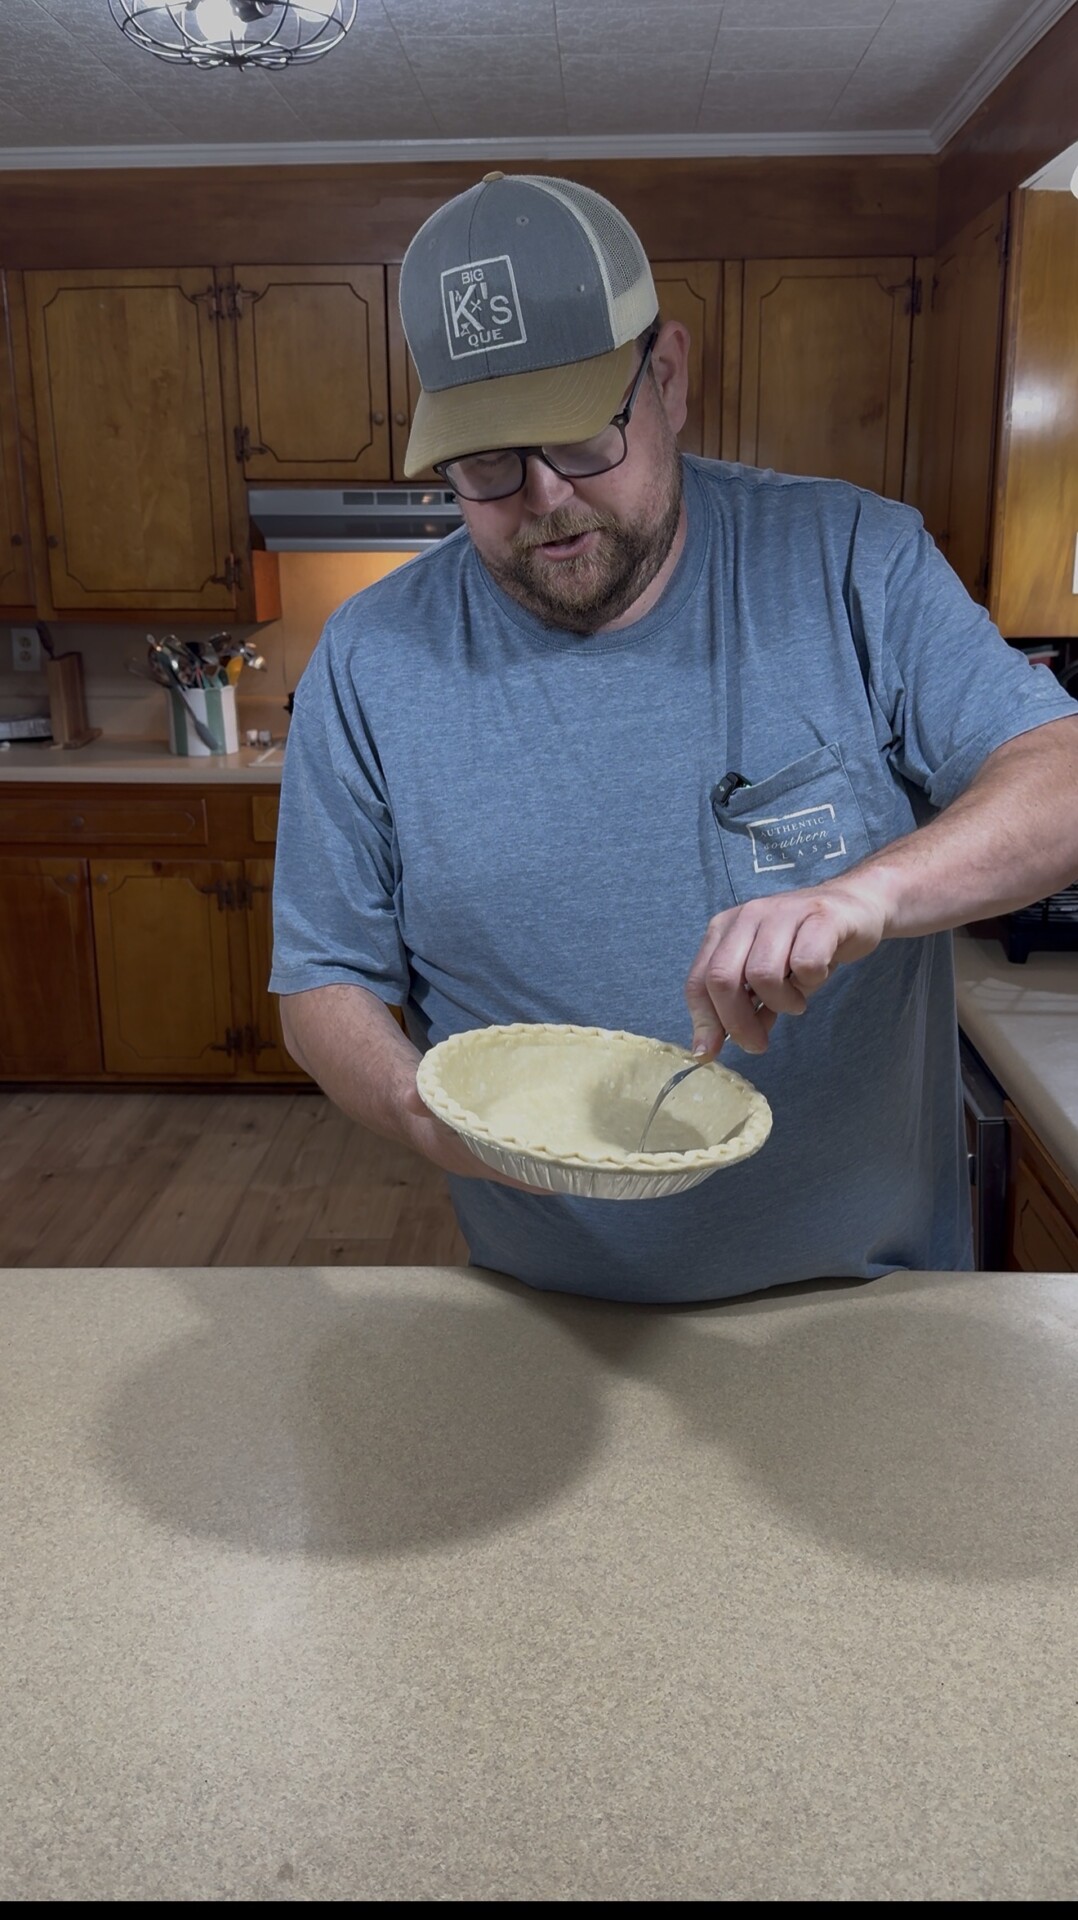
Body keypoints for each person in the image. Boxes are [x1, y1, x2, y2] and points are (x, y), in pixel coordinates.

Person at [270, 171, 1078, 1304]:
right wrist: (420, 1111)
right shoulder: (370, 657)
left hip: (868, 1303)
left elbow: (1061, 777)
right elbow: (323, 980)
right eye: (485, 463)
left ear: (669, 379)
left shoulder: (854, 559)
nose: (545, 497)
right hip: (547, 1314)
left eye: (580, 438)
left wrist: (864, 897)